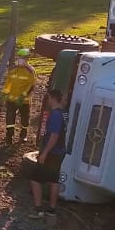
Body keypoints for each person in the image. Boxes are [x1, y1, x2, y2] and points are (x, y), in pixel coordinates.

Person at [28, 88, 67, 219]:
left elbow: (54, 135)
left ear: (52, 98)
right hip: (60, 152)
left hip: (52, 152)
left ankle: (38, 210)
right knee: (54, 181)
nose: (48, 101)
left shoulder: (56, 115)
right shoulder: (64, 113)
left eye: (48, 98)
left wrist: (44, 153)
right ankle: (52, 210)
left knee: (35, 179)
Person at [1, 47, 37, 145]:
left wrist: (23, 96)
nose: (21, 59)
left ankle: (23, 134)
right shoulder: (13, 69)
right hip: (11, 99)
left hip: (23, 101)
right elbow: (8, 82)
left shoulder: (30, 71)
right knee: (9, 118)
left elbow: (31, 85)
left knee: (25, 118)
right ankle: (9, 137)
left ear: (27, 58)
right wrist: (5, 92)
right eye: (20, 56)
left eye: (23, 57)